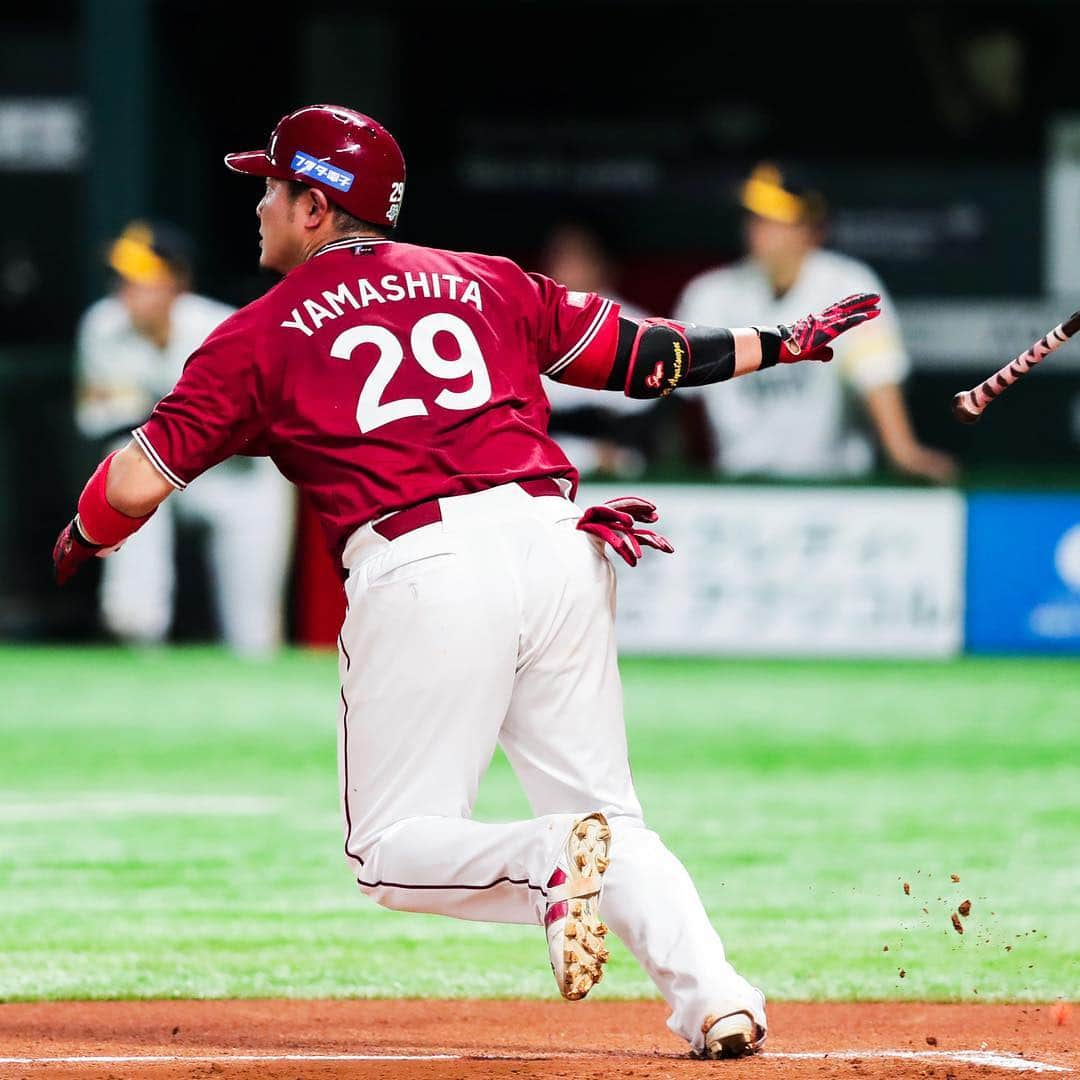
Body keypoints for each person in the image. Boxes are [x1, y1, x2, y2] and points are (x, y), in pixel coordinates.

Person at [52, 105, 880, 1059]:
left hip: (426, 560)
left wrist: (83, 532)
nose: (261, 205)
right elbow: (649, 360)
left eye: (272, 188)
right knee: (606, 818)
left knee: (390, 852)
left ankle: (541, 863)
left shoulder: (259, 333)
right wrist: (779, 343)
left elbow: (132, 483)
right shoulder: (487, 279)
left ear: (316, 208)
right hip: (561, 539)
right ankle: (718, 1000)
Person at [75, 221, 294, 655]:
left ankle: (254, 671)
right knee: (126, 467)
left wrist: (154, 411)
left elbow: (255, 425)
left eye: (142, 279)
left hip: (239, 474)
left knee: (253, 630)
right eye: (123, 278)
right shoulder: (102, 326)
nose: (127, 290)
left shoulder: (222, 328)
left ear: (177, 283)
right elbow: (95, 417)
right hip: (166, 470)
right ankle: (135, 629)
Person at [675, 163, 957, 483]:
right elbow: (670, 390)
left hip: (832, 484)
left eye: (775, 219)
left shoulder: (847, 286)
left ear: (811, 230)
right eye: (755, 218)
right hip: (743, 487)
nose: (759, 230)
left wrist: (902, 451)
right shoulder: (711, 294)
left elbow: (877, 374)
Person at [539, 223, 653, 477]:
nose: (565, 269)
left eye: (577, 258)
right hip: (548, 463)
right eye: (559, 258)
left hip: (625, 466)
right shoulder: (530, 324)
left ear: (602, 265)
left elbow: (647, 421)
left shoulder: (638, 327)